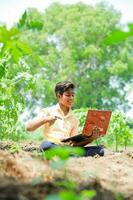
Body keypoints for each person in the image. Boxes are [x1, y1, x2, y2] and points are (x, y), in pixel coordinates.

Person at [26, 81, 104, 156]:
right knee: (46, 145)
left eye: (73, 95)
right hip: (52, 145)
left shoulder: (74, 119)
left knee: (99, 150)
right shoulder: (47, 111)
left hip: (68, 148)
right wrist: (46, 119)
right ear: (59, 96)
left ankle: (69, 155)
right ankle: (70, 155)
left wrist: (91, 138)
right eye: (68, 95)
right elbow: (29, 127)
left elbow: (75, 144)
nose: (71, 98)